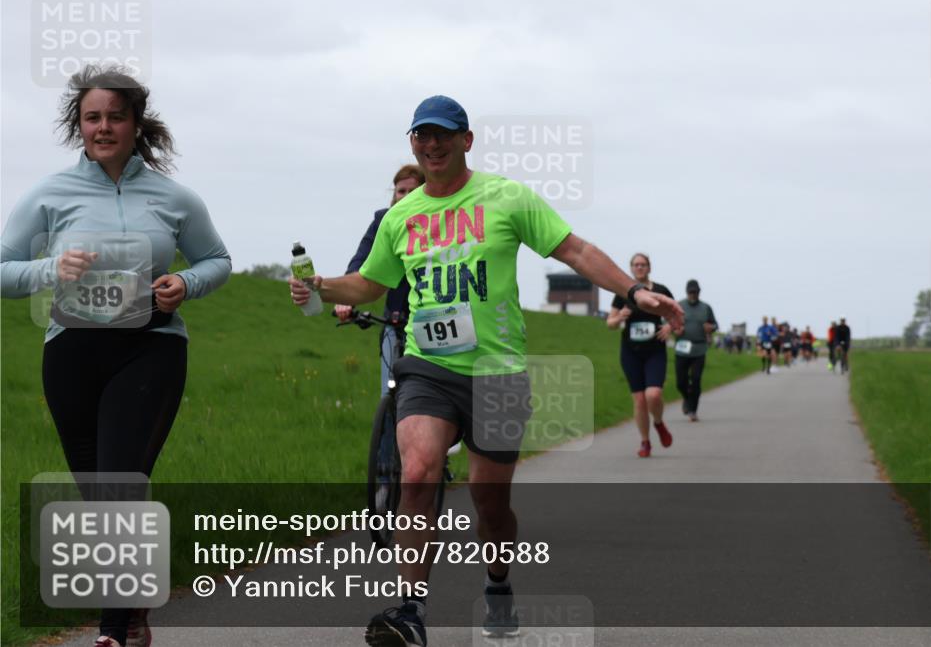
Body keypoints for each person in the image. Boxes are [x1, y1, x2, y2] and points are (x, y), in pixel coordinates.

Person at [289, 95, 684, 647]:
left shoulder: (505, 197)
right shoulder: (401, 217)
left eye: (442, 134)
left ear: (466, 140)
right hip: (427, 365)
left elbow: (574, 250)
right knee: (420, 471)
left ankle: (498, 582)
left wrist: (635, 291)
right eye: (421, 136)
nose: (431, 145)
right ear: (411, 143)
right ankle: (410, 610)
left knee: (489, 503)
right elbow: (370, 284)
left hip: (498, 372)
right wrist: (323, 285)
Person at [0, 65, 231, 647]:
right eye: (92, 117)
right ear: (79, 125)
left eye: (115, 116)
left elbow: (217, 260)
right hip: (72, 355)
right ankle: (132, 601)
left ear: (136, 123)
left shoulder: (173, 196)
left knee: (121, 483)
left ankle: (111, 631)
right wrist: (51, 269)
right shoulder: (50, 194)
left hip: (150, 348)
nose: (103, 127)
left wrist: (187, 284)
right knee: (98, 493)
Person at [335, 164, 425, 395]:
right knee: (390, 393)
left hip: (430, 320)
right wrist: (346, 298)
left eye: (412, 191)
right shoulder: (383, 221)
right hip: (394, 321)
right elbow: (361, 260)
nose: (405, 196)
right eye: (400, 191)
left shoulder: (435, 220)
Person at [607, 253, 675, 456]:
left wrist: (669, 327)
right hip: (631, 352)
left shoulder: (661, 290)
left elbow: (676, 314)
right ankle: (645, 442)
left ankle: (659, 423)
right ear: (631, 268)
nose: (640, 268)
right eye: (636, 265)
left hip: (655, 350)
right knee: (639, 400)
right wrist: (620, 316)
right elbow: (610, 324)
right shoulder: (623, 292)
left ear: (649, 267)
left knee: (653, 395)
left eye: (643, 264)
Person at [673, 279, 717, 422]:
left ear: (699, 292)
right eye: (691, 292)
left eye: (695, 292)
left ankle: (693, 410)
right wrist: (676, 329)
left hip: (699, 348)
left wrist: (711, 328)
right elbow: (668, 322)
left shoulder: (706, 308)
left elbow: (715, 324)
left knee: (696, 379)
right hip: (682, 348)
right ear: (687, 292)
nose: (693, 295)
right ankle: (687, 398)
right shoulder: (679, 305)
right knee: (681, 381)